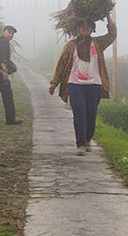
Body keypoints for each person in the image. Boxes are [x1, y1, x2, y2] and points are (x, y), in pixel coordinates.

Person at [48, 14, 117, 155]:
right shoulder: (71, 45)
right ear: (77, 29)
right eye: (82, 26)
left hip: (94, 84)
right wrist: (54, 82)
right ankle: (80, 144)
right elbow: (61, 64)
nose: (85, 29)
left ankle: (87, 139)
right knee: (79, 112)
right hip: (75, 84)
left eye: (88, 26)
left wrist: (109, 18)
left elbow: (112, 35)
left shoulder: (98, 43)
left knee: (91, 114)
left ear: (92, 29)